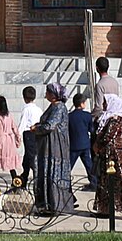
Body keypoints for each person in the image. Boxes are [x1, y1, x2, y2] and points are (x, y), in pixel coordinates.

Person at [26, 81, 75, 214]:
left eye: (48, 92)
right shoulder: (52, 106)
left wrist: (37, 128)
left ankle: (56, 204)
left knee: (54, 173)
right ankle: (46, 204)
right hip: (46, 147)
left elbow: (50, 125)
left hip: (55, 147)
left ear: (54, 95)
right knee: (45, 172)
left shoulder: (59, 107)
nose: (46, 94)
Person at [91, 93, 122, 219]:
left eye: (106, 102)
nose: (104, 105)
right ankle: (105, 209)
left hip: (116, 156)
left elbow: (108, 136)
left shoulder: (117, 119)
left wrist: (98, 144)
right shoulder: (107, 118)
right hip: (107, 156)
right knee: (106, 182)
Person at [67, 91, 97, 190]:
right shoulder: (87, 116)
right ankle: (94, 183)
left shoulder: (69, 116)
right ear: (82, 103)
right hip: (85, 145)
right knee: (89, 165)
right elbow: (91, 129)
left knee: (69, 166)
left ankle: (65, 182)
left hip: (73, 145)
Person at [0, 90, 21, 188]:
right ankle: (16, 182)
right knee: (11, 165)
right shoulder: (9, 115)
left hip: (4, 141)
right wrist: (18, 140)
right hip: (11, 141)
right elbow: (15, 128)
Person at [17, 85, 43, 190]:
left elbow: (23, 123)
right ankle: (24, 178)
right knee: (27, 158)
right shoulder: (38, 109)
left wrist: (17, 136)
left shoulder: (26, 109)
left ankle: (37, 180)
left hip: (28, 134)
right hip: (37, 134)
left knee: (32, 157)